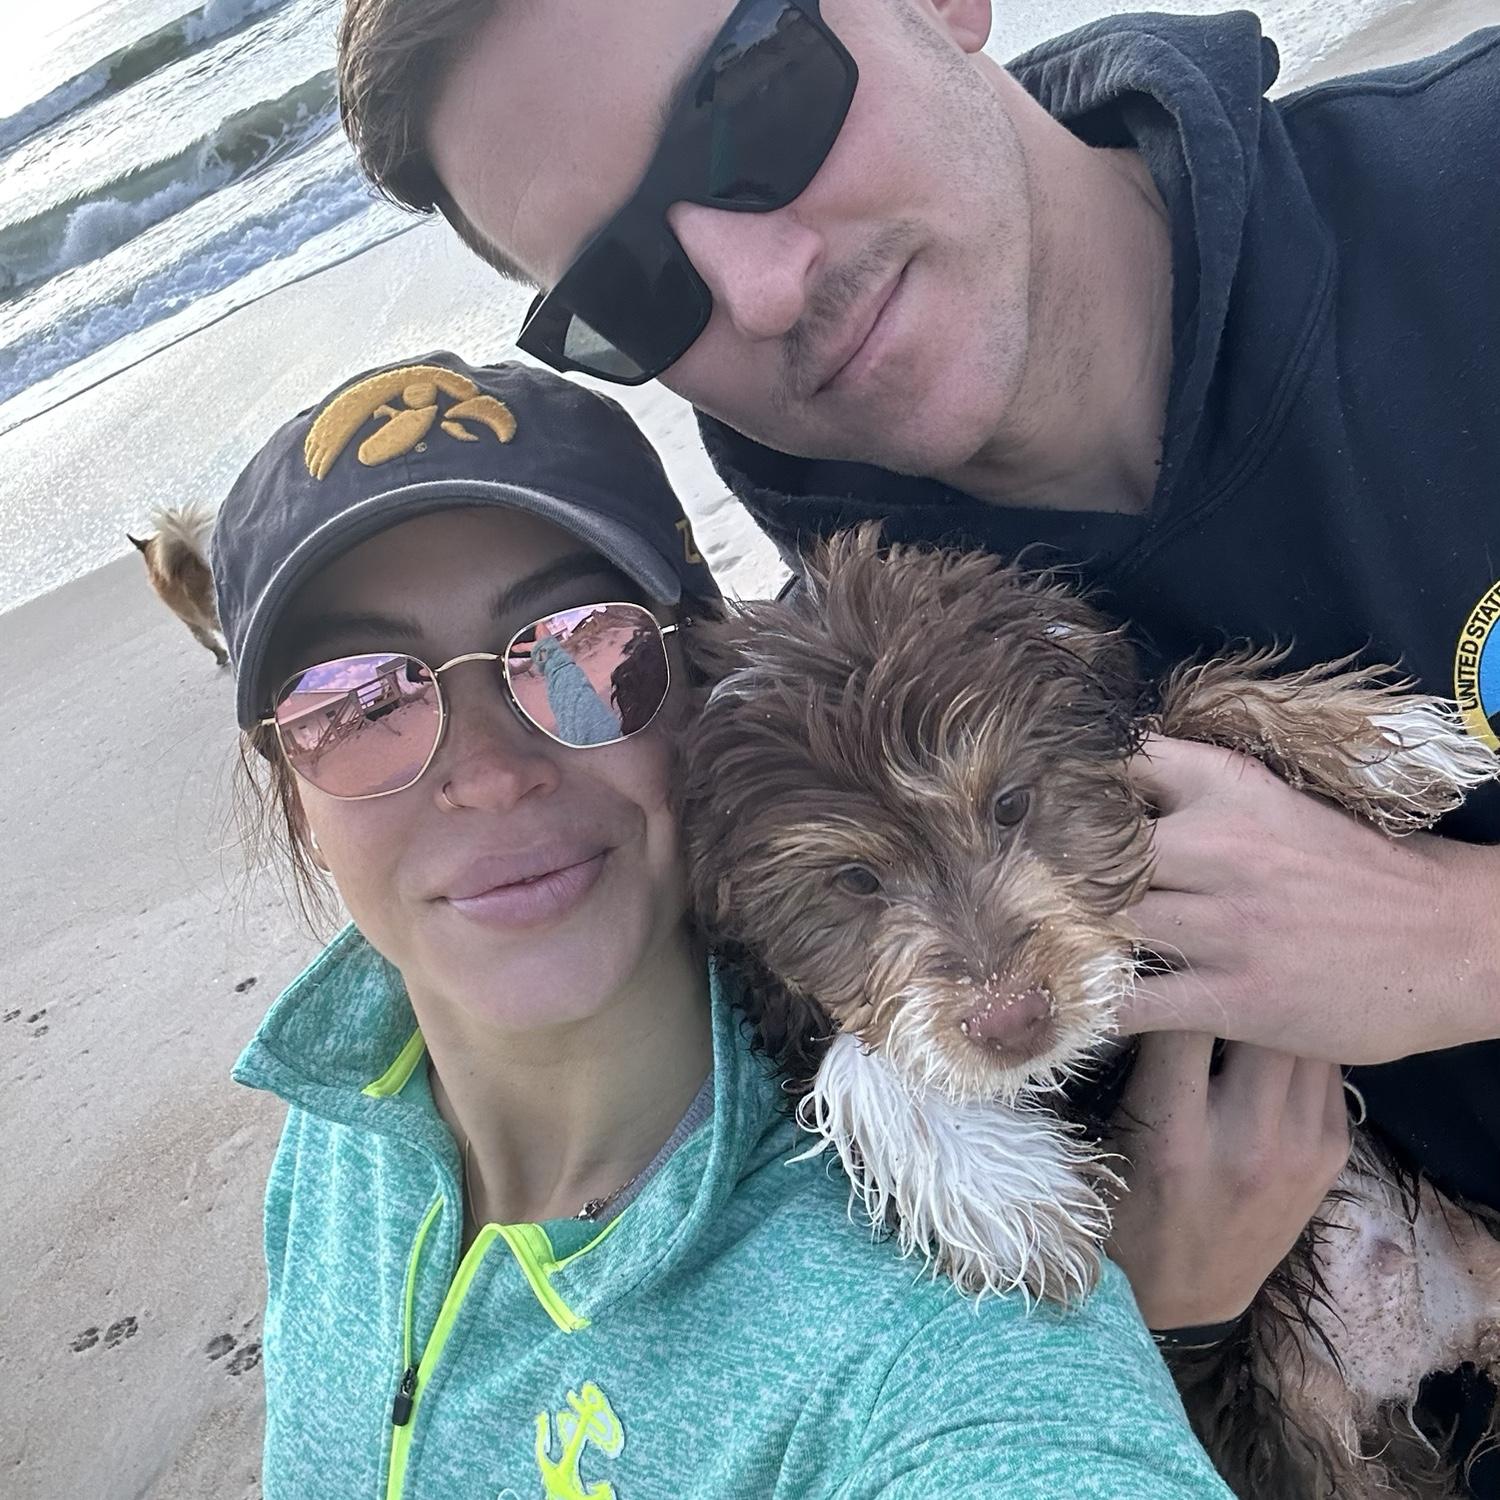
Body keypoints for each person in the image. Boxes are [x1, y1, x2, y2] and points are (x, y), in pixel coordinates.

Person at [334, 0, 1500, 1465]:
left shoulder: (1472, 199)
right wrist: (1157, 1319)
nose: (762, 286)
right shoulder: (803, 726)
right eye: (633, 285)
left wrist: (1460, 938)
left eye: (757, 105)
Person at [215, 351, 1231, 1498]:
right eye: (358, 704)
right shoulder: (342, 1105)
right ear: (296, 800)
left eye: (580, 651)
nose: (490, 775)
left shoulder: (925, 1303)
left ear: (705, 696)